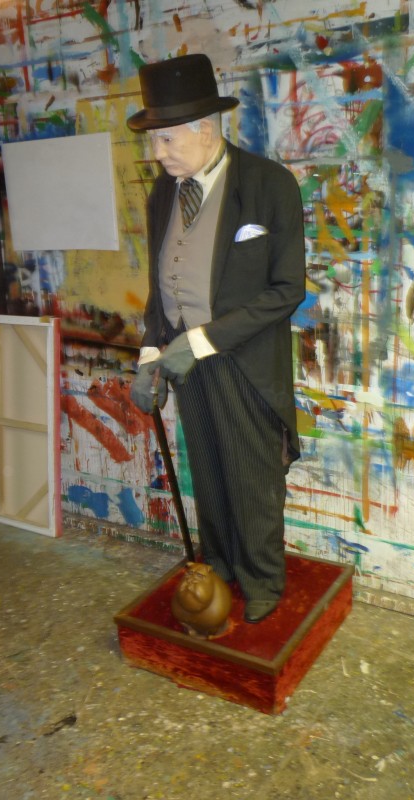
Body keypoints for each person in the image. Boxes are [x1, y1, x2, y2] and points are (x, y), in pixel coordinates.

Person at [128, 54, 306, 624]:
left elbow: (287, 290)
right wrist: (151, 352)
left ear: (205, 129)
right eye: (153, 140)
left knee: (251, 475)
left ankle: (262, 579)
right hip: (182, 360)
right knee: (206, 468)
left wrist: (203, 340)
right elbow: (161, 279)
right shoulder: (164, 193)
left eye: (165, 139)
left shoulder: (269, 185)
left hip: (243, 361)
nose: (156, 153)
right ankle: (222, 563)